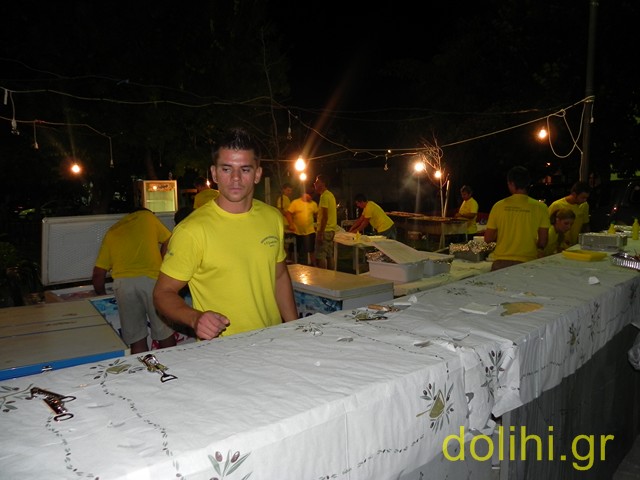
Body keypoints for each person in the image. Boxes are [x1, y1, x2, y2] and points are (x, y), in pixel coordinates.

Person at [153, 127, 299, 341]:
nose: (236, 178)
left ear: (258, 174)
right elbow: (162, 293)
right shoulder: (191, 230)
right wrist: (195, 318)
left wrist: (295, 327)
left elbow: (279, 276)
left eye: (245, 169)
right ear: (214, 174)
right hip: (224, 350)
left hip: (272, 341)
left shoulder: (272, 218)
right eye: (227, 169)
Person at [92, 207, 176, 354]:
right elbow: (169, 240)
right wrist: (164, 264)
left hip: (123, 286)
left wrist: (101, 295)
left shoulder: (113, 231)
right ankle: (173, 364)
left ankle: (143, 367)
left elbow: (98, 273)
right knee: (165, 332)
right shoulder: (147, 217)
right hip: (151, 280)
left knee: (137, 339)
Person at [484, 166, 550, 272]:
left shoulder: (498, 206)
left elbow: (488, 239)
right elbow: (543, 241)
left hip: (501, 262)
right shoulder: (541, 207)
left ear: (511, 184)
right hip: (528, 263)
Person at [548, 181, 591, 247]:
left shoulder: (584, 205)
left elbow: (585, 224)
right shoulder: (557, 205)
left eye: (586, 198)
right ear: (574, 194)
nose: (584, 200)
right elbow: (548, 225)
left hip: (574, 245)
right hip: (559, 246)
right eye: (583, 197)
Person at [285, 187, 318, 265]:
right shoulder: (295, 203)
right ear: (303, 194)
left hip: (310, 231)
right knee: (294, 250)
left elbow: (317, 215)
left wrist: (317, 224)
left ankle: (313, 265)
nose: (310, 197)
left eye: (312, 195)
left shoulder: (313, 204)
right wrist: (291, 224)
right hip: (297, 231)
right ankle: (292, 264)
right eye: (309, 195)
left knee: (311, 250)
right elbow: (288, 213)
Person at [313, 174, 339, 270]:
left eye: (317, 182)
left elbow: (325, 216)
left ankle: (323, 276)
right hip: (331, 230)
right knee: (329, 255)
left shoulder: (324, 196)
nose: (314, 184)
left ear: (323, 184)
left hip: (325, 230)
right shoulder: (330, 195)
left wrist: (320, 233)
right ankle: (331, 276)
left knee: (321, 256)